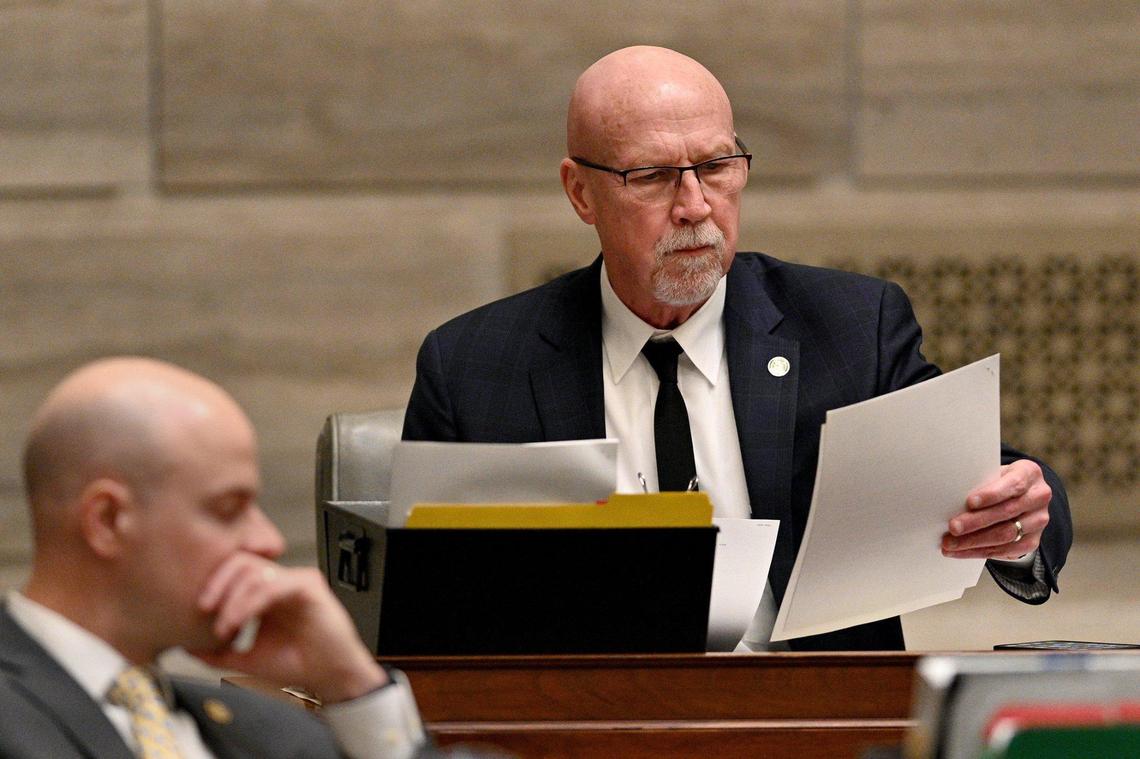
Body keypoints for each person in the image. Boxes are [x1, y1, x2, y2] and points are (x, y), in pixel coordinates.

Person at [402, 45, 1073, 651]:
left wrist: (1015, 522)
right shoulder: (473, 368)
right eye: (655, 176)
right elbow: (420, 618)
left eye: (717, 166)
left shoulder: (849, 326)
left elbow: (984, 480)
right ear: (582, 192)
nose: (695, 205)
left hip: (808, 727)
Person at [1, 357, 428, 758]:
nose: (269, 541)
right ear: (108, 520)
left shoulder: (267, 731)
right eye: (227, 510)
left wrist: (353, 684)